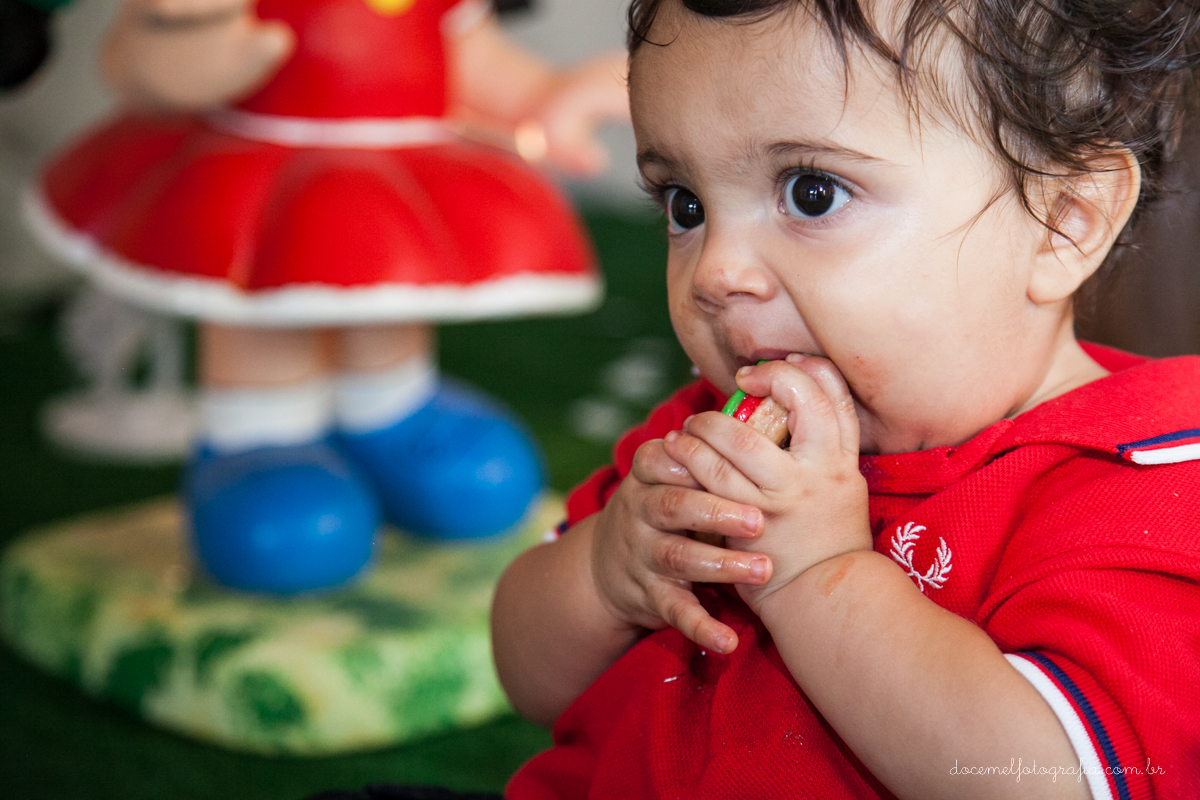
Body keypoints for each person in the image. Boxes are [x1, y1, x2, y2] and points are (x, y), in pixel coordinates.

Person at [490, 0, 1200, 797]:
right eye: (685, 205)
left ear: (1062, 223)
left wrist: (819, 575)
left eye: (813, 193)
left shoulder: (1149, 486)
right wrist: (605, 567)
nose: (718, 273)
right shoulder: (708, 436)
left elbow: (1049, 782)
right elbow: (528, 679)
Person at [25, 0, 628, 593]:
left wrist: (552, 93)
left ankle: (389, 412)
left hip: (394, 174)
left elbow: (470, 54)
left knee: (386, 285)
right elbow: (137, 62)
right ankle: (261, 436)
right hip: (252, 164)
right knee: (265, 299)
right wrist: (185, 49)